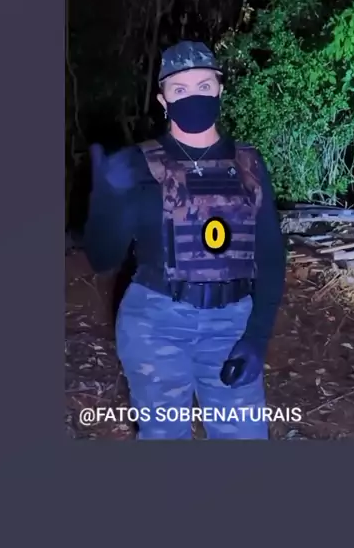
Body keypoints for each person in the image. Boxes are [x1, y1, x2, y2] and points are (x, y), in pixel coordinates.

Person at [83, 40, 286, 439]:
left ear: (220, 89)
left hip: (232, 323)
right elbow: (102, 258)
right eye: (180, 89)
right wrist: (106, 197)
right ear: (163, 100)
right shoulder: (139, 164)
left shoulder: (248, 163)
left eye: (204, 86)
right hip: (155, 323)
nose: (193, 97)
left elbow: (270, 255)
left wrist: (257, 337)